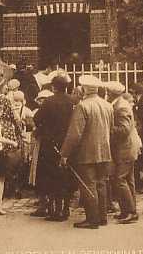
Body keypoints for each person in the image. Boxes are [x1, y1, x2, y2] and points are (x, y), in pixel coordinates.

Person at [60, 75, 115, 229]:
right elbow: (110, 129)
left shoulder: (82, 106)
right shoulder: (107, 105)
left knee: (88, 185)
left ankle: (92, 219)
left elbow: (74, 134)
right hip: (104, 151)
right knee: (101, 184)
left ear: (84, 89)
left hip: (86, 153)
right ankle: (102, 217)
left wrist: (64, 154)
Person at [34, 73, 75, 221]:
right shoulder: (73, 100)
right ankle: (65, 208)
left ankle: (55, 210)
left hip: (51, 145)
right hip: (69, 144)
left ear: (53, 87)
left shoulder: (49, 102)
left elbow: (37, 118)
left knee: (51, 177)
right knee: (66, 176)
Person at [106, 82, 141, 224]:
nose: (106, 95)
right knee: (128, 180)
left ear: (112, 93)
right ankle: (128, 210)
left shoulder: (120, 107)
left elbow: (124, 130)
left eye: (108, 93)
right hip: (128, 148)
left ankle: (131, 213)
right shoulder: (120, 104)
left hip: (125, 149)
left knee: (119, 179)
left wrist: (108, 129)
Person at [29, 89, 54, 217]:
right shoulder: (41, 112)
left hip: (43, 147)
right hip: (40, 146)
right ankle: (44, 202)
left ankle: (45, 204)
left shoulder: (43, 113)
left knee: (43, 176)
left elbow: (38, 128)